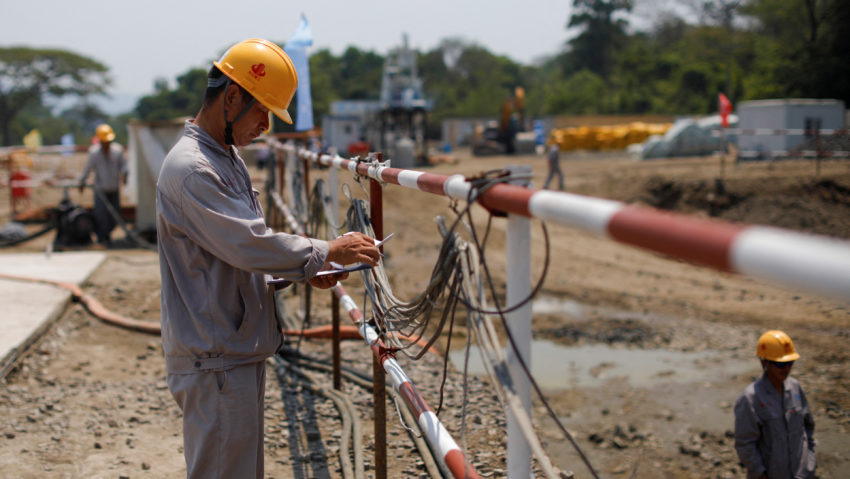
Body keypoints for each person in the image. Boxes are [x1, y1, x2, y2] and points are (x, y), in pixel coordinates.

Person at [156, 38, 380, 479]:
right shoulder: (194, 168)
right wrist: (325, 250)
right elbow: (247, 244)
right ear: (233, 96)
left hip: (230, 350)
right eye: (262, 112)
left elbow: (226, 262)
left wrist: (300, 272)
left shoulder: (224, 159)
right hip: (216, 356)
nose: (265, 125)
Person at [734, 330, 816, 479]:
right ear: (765, 363)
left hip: (802, 474)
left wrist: (810, 462)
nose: (786, 369)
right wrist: (759, 473)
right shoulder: (750, 399)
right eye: (780, 364)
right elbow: (744, 444)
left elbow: (808, 426)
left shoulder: (796, 388)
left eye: (790, 363)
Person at [78, 123, 128, 245]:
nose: (106, 144)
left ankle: (108, 234)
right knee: (101, 216)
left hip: (114, 188)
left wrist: (125, 175)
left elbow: (124, 166)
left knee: (114, 215)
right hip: (100, 190)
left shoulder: (117, 150)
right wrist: (82, 182)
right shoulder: (94, 153)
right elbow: (87, 169)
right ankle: (102, 237)